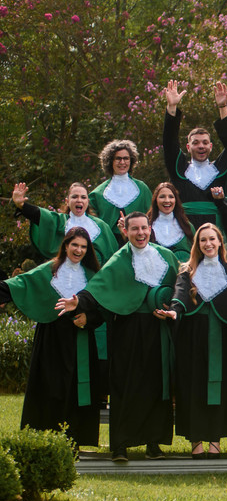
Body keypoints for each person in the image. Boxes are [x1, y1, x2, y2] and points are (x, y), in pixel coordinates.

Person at [62, 211, 179, 461]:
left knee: (156, 384)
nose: (140, 233)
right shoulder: (119, 259)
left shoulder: (166, 256)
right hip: (128, 327)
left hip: (158, 328)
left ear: (150, 229)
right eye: (134, 229)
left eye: (144, 228)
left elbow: (179, 287)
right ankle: (120, 445)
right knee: (125, 384)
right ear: (125, 231)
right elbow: (99, 288)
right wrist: (79, 302)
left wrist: (171, 308)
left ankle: (153, 443)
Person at [0, 229, 103, 447]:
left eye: (83, 246)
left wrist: (88, 318)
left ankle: (73, 440)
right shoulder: (49, 270)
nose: (79, 250)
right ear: (65, 245)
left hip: (80, 338)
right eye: (75, 245)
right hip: (51, 337)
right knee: (49, 386)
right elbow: (21, 284)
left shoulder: (93, 275)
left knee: (76, 389)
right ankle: (45, 440)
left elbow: (103, 308)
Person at [160, 223, 227, 458]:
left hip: (221, 338)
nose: (208, 244)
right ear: (197, 244)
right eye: (203, 240)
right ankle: (196, 441)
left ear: (220, 242)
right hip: (192, 337)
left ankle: (215, 440)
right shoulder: (187, 271)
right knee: (193, 386)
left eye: (212, 239)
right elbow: (180, 294)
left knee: (219, 388)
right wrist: (174, 310)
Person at [161, 80, 227, 231]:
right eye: (196, 143)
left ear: (210, 147)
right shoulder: (179, 170)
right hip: (185, 230)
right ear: (188, 147)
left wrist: (224, 107)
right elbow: (169, 142)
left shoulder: (220, 170)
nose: (201, 146)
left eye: (205, 143)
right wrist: (172, 107)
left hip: (215, 233)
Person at [12, 181, 118, 264]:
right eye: (74, 197)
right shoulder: (60, 221)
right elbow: (41, 216)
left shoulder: (101, 226)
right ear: (67, 201)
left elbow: (113, 258)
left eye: (83, 197)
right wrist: (21, 205)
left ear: (87, 201)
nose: (79, 200)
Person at [89, 139, 152, 234]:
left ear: (131, 161)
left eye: (126, 158)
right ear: (110, 161)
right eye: (118, 158)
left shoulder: (142, 189)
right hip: (109, 241)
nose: (122, 162)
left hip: (138, 239)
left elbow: (152, 215)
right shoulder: (98, 194)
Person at [146, 182, 196, 264]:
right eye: (162, 197)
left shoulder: (187, 227)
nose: (167, 200)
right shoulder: (146, 227)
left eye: (171, 197)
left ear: (176, 200)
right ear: (156, 200)